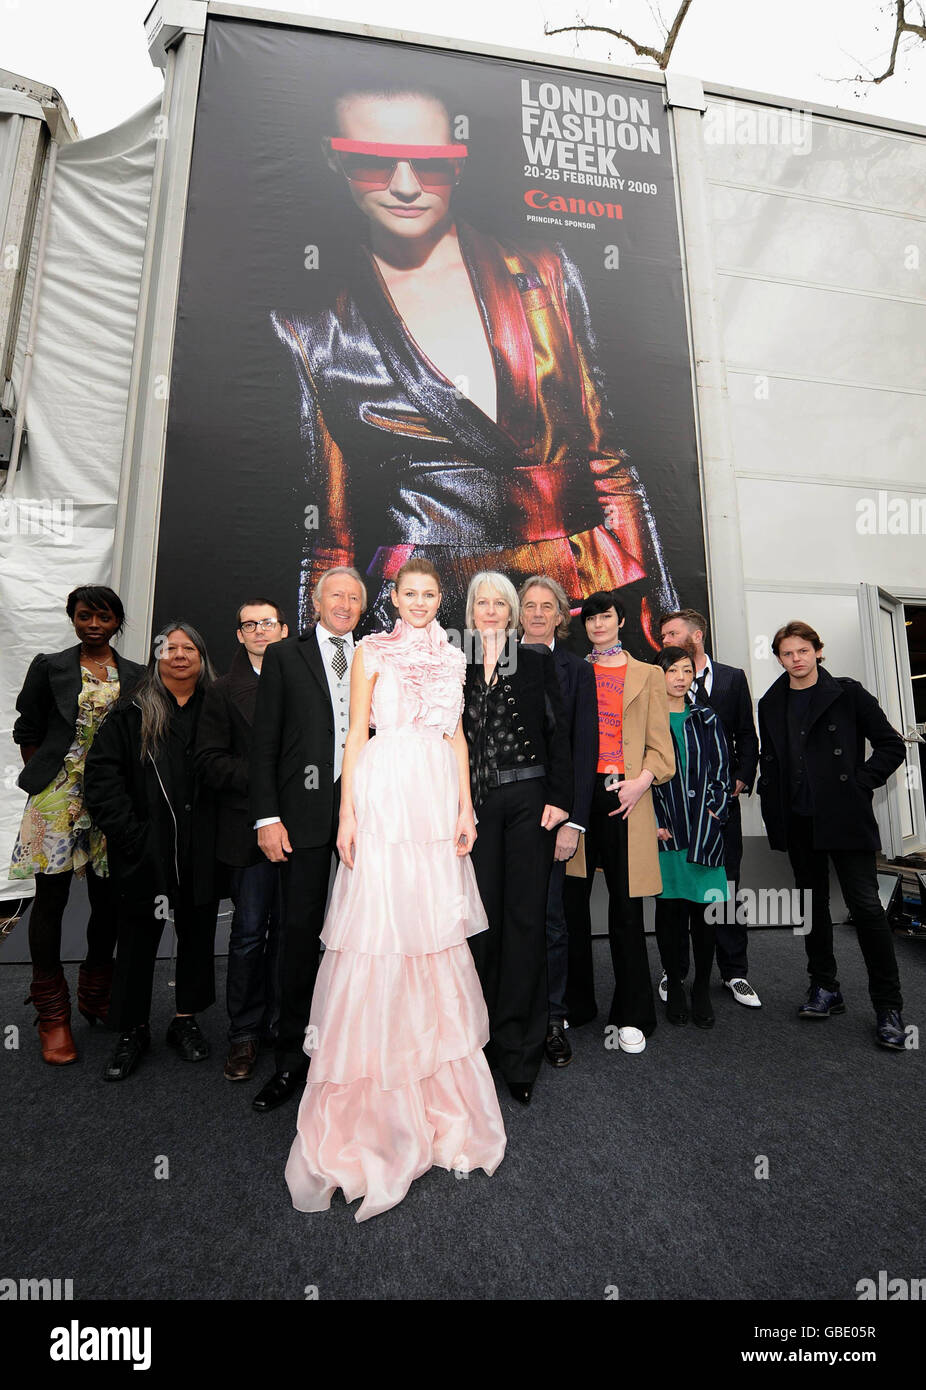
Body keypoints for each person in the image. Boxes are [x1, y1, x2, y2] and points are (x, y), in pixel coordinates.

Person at [271, 81, 676, 644]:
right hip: (426, 614)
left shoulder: (544, 271)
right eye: (371, 164)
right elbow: (328, 540)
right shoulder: (314, 331)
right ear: (332, 158)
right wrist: (324, 671)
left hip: (577, 598)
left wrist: (659, 621)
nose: (406, 187)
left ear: (460, 163)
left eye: (432, 165)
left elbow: (609, 465)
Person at [285, 559, 506, 1221]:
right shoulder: (371, 651)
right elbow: (353, 737)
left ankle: (435, 1095)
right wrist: (347, 813)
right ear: (394, 597)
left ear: (442, 598)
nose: (417, 602)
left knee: (432, 935)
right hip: (383, 797)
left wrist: (465, 808)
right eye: (407, 593)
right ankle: (372, 1100)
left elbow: (459, 737)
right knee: (380, 935)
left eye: (428, 594)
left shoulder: (453, 656)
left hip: (437, 799)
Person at [757, 620, 907, 1050]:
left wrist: (860, 782)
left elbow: (891, 745)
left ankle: (888, 1006)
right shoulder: (771, 701)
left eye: (803, 650)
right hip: (798, 818)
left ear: (817, 651)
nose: (796, 659)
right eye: (787, 653)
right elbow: (773, 760)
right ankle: (825, 988)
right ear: (780, 658)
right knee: (812, 906)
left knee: (866, 908)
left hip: (844, 817)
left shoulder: (848, 692)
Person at [248, 567, 364, 1112]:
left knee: (363, 941)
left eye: (354, 597)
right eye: (335, 595)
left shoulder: (372, 656)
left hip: (367, 821)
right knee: (299, 937)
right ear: (316, 602)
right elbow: (264, 743)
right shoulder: (285, 657)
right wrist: (267, 817)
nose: (344, 603)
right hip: (302, 824)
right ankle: (292, 1060)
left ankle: (354, 1053)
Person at [10, 585, 143, 1064]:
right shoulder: (51, 667)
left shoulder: (136, 675)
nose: (93, 624)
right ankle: (52, 1013)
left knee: (108, 900)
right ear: (73, 618)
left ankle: (95, 991)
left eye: (103, 618)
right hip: (58, 797)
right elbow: (27, 728)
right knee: (52, 899)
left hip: (112, 796)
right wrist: (47, 777)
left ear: (116, 622)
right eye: (84, 616)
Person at [83, 622, 220, 1081]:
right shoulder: (130, 713)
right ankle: (132, 1030)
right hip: (146, 852)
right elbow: (102, 782)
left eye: (188, 648)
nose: (179, 655)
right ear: (156, 657)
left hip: (200, 851)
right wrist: (133, 838)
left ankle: (185, 1022)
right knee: (138, 943)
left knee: (197, 939)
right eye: (169, 648)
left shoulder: (218, 711)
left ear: (201, 657)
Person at [462, 571, 573, 1104]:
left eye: (498, 603)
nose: (489, 610)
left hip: (530, 802)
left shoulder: (536, 662)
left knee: (526, 922)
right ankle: (477, 1047)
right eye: (480, 603)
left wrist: (560, 800)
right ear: (471, 610)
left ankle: (521, 1053)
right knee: (481, 924)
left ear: (511, 612)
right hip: (476, 806)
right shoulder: (453, 666)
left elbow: (561, 735)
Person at [563, 591, 674, 1051]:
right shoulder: (571, 669)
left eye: (605, 617)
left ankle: (632, 1013)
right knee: (571, 907)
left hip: (626, 795)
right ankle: (573, 1003)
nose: (597, 625)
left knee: (626, 910)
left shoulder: (648, 674)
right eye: (590, 619)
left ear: (621, 620)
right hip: (578, 798)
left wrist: (640, 781)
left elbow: (661, 748)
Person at [195, 599, 289, 1082]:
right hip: (246, 829)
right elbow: (208, 762)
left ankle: (282, 1028)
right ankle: (244, 1035)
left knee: (291, 933)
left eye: (266, 623)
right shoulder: (221, 691)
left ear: (283, 629)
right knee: (250, 933)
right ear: (238, 635)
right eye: (248, 624)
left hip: (300, 830)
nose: (258, 631)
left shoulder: (301, 680)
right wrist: (266, 779)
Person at [659, 607, 760, 1008]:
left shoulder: (732, 678)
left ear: (695, 636)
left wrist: (740, 776)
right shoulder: (657, 690)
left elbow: (746, 735)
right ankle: (676, 973)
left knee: (723, 889)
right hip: (673, 816)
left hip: (719, 808)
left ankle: (734, 972)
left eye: (670, 634)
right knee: (676, 895)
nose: (665, 640)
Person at [519, 575, 597, 1067]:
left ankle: (552, 1020)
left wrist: (574, 823)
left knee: (550, 920)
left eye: (549, 606)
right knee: (504, 919)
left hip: (555, 817)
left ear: (562, 614)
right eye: (530, 605)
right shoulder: (492, 660)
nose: (539, 612)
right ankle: (507, 1017)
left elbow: (584, 747)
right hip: (503, 816)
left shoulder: (577, 671)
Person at [651, 647, 731, 1028]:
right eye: (672, 671)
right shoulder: (646, 720)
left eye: (687, 670)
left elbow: (721, 772)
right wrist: (652, 821)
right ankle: (675, 983)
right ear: (659, 675)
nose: (681, 677)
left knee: (705, 917)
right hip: (666, 833)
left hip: (704, 833)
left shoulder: (706, 717)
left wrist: (714, 814)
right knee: (669, 915)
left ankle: (701, 985)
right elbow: (639, 776)